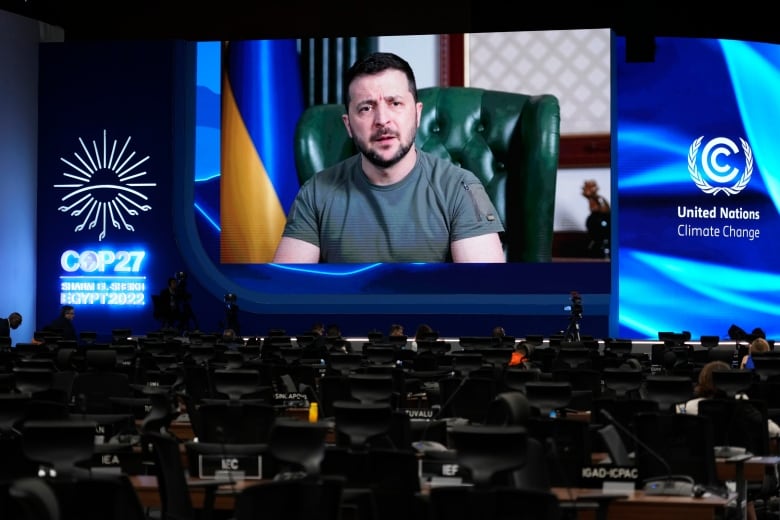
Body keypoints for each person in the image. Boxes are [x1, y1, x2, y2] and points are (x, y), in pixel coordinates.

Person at [272, 52, 505, 263]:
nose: (382, 119)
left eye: (395, 103)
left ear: (417, 113)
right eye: (366, 108)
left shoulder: (460, 188)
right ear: (348, 124)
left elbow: (485, 294)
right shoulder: (316, 192)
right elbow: (287, 293)